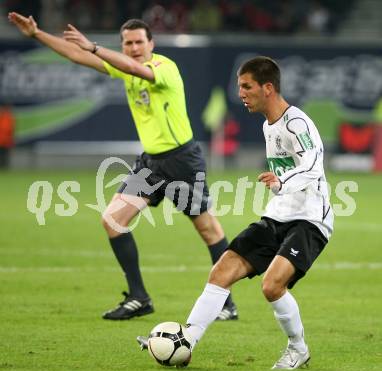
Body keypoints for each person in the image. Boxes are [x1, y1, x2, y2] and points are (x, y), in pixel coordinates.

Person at [8, 12, 238, 321]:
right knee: (113, 219)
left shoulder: (164, 67)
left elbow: (128, 65)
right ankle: (139, 297)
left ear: (151, 44)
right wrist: (37, 34)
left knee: (208, 230)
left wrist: (94, 47)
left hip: (181, 161)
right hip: (151, 164)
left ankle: (226, 303)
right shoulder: (125, 69)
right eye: (127, 43)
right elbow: (77, 56)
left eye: (138, 42)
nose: (132, 48)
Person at [138, 56, 334, 369]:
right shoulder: (268, 125)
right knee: (221, 271)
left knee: (271, 286)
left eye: (247, 86)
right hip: (277, 216)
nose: (241, 93)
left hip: (310, 220)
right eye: (239, 86)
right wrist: (280, 186)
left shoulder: (296, 122)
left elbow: (313, 165)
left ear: (267, 88)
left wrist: (282, 180)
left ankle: (298, 349)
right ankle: (186, 340)